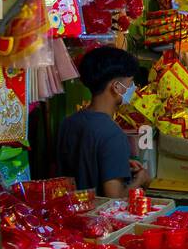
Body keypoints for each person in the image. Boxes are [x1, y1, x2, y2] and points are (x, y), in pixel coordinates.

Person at [57, 46, 151, 198]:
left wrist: (118, 162)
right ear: (116, 87)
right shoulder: (113, 134)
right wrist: (140, 180)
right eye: (131, 83)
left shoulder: (68, 123)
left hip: (72, 213)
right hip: (98, 219)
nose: (134, 89)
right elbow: (114, 199)